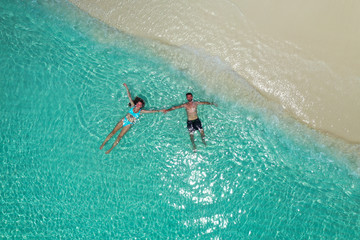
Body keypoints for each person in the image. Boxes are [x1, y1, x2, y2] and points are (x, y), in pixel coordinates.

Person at [100, 83, 165, 154]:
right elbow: (129, 96)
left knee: (119, 137)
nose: (138, 104)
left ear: (141, 106)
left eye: (139, 104)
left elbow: (152, 111)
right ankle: (103, 143)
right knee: (113, 132)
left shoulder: (141, 111)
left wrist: (161, 110)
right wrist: (126, 87)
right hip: (123, 120)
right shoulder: (132, 106)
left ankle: (111, 149)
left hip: (128, 124)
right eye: (138, 103)